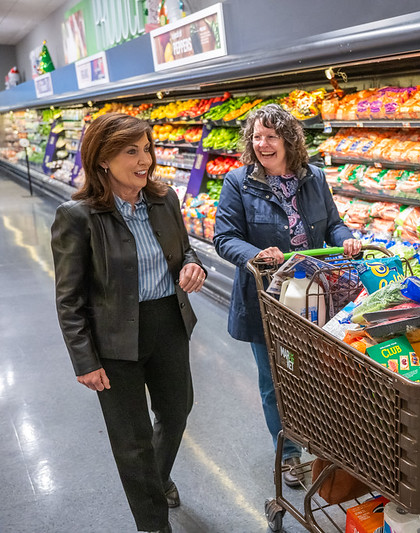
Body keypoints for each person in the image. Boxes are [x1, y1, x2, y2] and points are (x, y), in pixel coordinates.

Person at [51, 113, 205, 533]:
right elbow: (69, 298)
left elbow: (186, 251)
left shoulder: (164, 199)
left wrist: (194, 267)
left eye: (147, 148)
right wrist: (84, 359)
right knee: (132, 439)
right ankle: (153, 524)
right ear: (102, 159)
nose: (145, 160)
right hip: (113, 337)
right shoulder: (78, 216)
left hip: (168, 323)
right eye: (131, 151)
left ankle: (155, 481)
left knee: (176, 412)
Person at [214, 104, 361, 487]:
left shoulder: (314, 177)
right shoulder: (238, 182)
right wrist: (256, 254)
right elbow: (224, 238)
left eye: (271, 136)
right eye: (256, 137)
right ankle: (289, 454)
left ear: (289, 140)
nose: (262, 144)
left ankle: (323, 442)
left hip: (313, 295)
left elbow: (333, 224)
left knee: (317, 375)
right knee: (275, 378)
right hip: (267, 298)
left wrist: (346, 241)